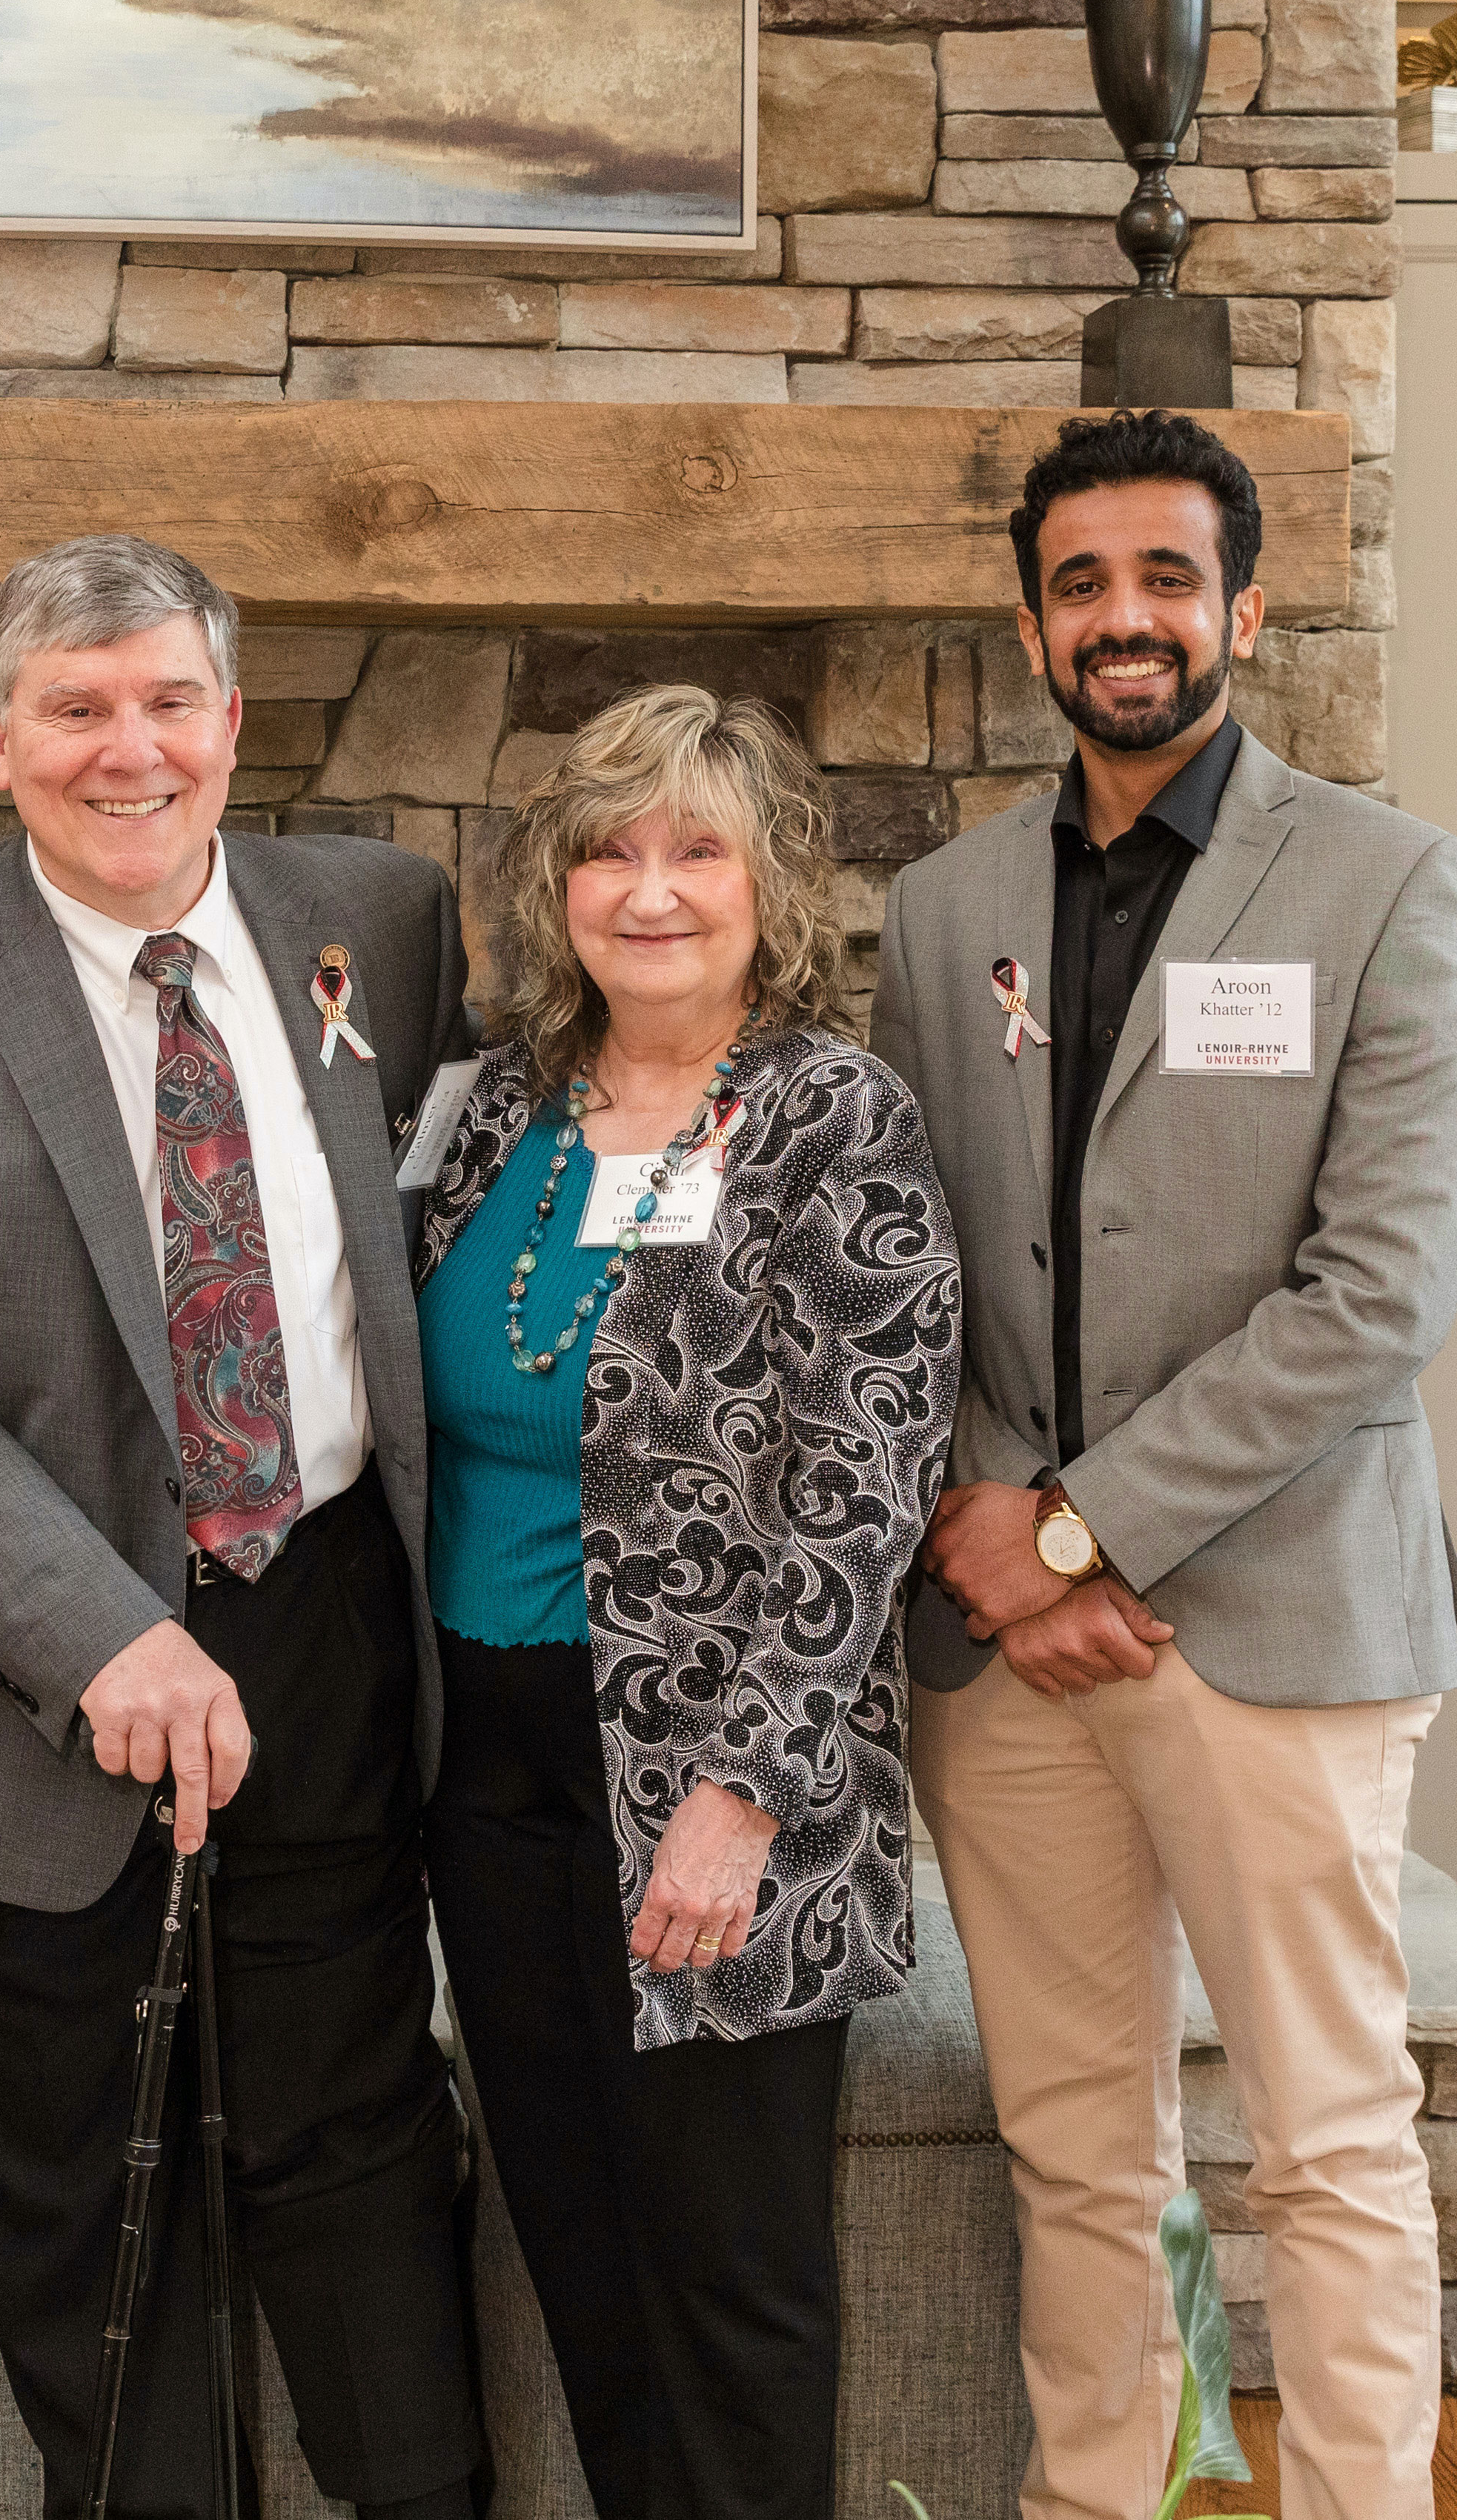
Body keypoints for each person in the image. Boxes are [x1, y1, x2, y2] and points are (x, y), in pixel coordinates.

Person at [0, 535, 487, 2520]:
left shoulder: (382, 921)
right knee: (89, 2184)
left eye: (169, 699)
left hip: (329, 1615)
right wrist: (104, 1630)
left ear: (233, 722)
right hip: (21, 1679)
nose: (129, 748)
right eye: (77, 708)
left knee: (353, 2126)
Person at [871, 408, 1457, 2520]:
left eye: (1165, 576)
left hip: (1276, 1617)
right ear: (1031, 617)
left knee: (1327, 2136)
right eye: (1080, 581)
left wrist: (1077, 1523)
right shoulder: (946, 900)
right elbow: (913, 1262)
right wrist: (1000, 1545)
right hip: (1008, 1650)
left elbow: (1376, 1295)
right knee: (1075, 2140)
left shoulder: (1395, 881)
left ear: (1245, 601)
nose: (1123, 617)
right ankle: (1094, 2498)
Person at [411, 685, 957, 2520]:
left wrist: (742, 1796)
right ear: (554, 883)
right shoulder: (492, 1110)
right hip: (483, 1766)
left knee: (728, 2274)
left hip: (712, 1775)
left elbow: (861, 1486)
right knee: (576, 2239)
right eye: (607, 849)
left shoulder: (832, 1121)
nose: (648, 891)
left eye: (694, 848)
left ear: (769, 881)